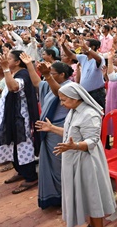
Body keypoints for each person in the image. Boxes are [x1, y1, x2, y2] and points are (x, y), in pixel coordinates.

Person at [35, 83, 116, 227]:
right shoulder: (74, 111)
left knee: (93, 198)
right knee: (85, 196)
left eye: (64, 100)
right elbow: (69, 133)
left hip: (87, 163)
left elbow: (92, 141)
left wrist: (75, 146)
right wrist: (52, 128)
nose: (62, 103)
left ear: (75, 97)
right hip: (74, 159)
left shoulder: (90, 114)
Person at [0, 51, 40, 194]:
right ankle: (20, 171)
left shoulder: (23, 74)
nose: (6, 59)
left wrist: (5, 69)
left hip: (21, 117)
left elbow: (14, 88)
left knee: (22, 145)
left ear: (17, 62)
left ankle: (30, 176)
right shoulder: (13, 73)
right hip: (11, 116)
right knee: (13, 144)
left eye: (9, 58)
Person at [36, 61, 74, 209]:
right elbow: (36, 83)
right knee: (52, 164)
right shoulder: (48, 83)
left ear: (62, 75)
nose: (49, 77)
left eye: (52, 74)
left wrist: (46, 75)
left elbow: (59, 93)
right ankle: (56, 197)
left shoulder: (70, 87)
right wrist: (28, 66)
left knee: (60, 165)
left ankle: (66, 200)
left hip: (59, 129)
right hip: (49, 129)